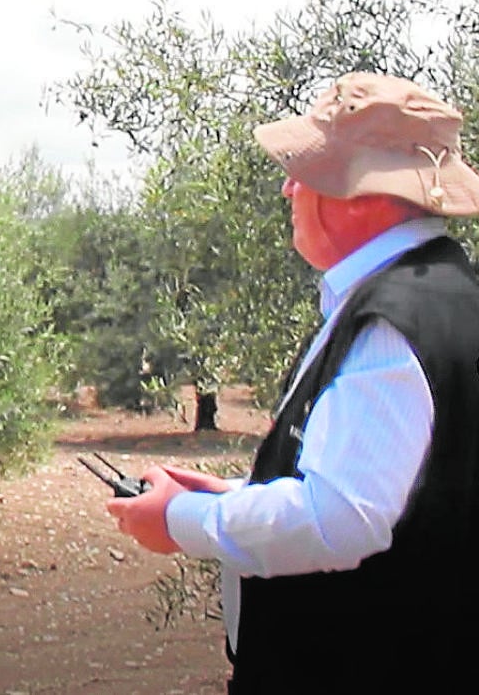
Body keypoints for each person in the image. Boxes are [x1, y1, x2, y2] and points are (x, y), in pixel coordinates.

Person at [105, 71, 479, 694]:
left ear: (361, 195)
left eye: (304, 172)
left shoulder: (391, 323)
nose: (287, 187)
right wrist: (233, 496)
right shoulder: (445, 298)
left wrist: (180, 520)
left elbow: (340, 519)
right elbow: (407, 491)